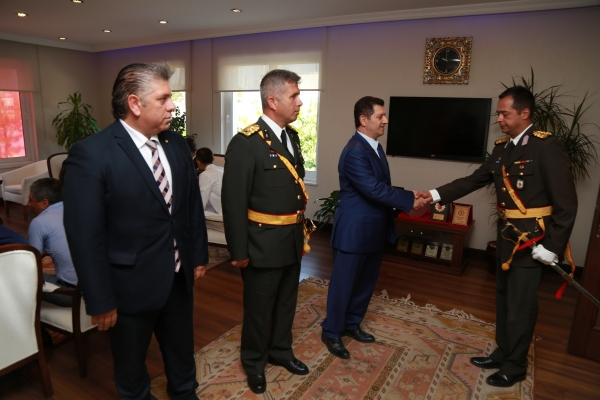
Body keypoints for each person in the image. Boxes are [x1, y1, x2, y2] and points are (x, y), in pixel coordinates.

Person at [63, 62, 209, 400]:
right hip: (129, 288)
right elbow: (85, 236)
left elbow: (190, 207)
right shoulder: (92, 154)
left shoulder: (175, 143)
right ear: (134, 103)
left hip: (178, 279)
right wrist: (100, 299)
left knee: (182, 356)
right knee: (131, 371)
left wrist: (198, 255)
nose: (172, 105)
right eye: (163, 98)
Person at [417, 86, 577, 388]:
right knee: (504, 301)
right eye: (499, 113)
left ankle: (515, 366)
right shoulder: (503, 148)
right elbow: (474, 179)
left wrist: (552, 247)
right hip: (507, 237)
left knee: (521, 306)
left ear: (525, 113)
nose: (499, 119)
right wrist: (434, 194)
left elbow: (567, 204)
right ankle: (503, 353)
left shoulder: (546, 147)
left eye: (505, 113)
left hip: (533, 242)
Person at [221, 69, 308, 394]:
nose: (300, 102)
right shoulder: (246, 143)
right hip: (261, 244)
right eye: (294, 96)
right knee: (259, 310)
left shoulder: (291, 137)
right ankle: (254, 361)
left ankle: (280, 350)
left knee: (286, 302)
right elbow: (233, 202)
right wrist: (239, 251)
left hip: (291, 239)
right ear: (273, 101)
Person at [320, 96, 424, 359]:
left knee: (365, 282)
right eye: (380, 116)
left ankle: (351, 324)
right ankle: (331, 332)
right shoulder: (355, 150)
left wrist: (407, 194)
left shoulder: (374, 147)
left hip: (373, 229)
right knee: (344, 285)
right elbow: (374, 189)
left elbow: (380, 187)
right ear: (363, 120)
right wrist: (409, 198)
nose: (386, 121)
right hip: (354, 232)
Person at [27, 178, 77, 307]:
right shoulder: (79, 210)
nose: (28, 204)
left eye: (31, 200)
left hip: (74, 294)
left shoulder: (39, 222)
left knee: (20, 278)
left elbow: (30, 262)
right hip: (105, 289)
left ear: (44, 203)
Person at [197, 147, 223, 217]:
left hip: (223, 213)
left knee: (191, 212)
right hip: (233, 208)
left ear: (198, 162)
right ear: (213, 159)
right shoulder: (222, 169)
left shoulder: (205, 175)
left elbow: (201, 203)